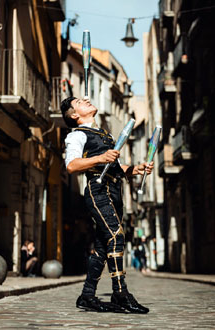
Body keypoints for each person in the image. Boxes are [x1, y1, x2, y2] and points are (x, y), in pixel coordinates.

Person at [61, 97, 154, 313]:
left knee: (103, 246)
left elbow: (115, 167)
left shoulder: (105, 134)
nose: (86, 99)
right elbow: (72, 165)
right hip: (98, 189)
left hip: (115, 190)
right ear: (75, 115)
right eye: (79, 102)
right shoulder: (76, 135)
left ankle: (87, 295)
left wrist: (136, 169)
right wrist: (102, 158)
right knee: (116, 236)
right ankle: (120, 293)